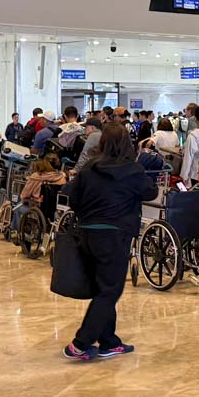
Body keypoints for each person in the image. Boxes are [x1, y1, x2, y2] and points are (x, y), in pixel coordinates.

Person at [62, 122, 158, 362]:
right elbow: (151, 192)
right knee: (110, 290)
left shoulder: (89, 168)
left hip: (87, 232)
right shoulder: (132, 169)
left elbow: (72, 195)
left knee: (102, 288)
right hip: (115, 235)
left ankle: (108, 342)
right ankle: (80, 343)